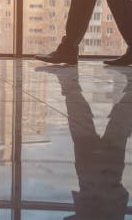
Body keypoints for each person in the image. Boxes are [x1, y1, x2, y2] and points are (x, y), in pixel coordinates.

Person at [36, 66, 132, 219]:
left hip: (107, 178)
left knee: (117, 125)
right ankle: (68, 83)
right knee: (84, 123)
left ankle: (69, 82)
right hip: (91, 178)